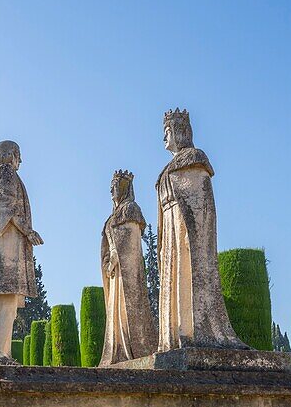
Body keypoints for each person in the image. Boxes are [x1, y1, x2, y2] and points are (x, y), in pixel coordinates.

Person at [156, 108, 244, 351]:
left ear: (180, 131)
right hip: (172, 230)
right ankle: (174, 336)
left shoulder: (194, 158)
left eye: (167, 131)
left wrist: (190, 234)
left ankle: (192, 332)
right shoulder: (168, 168)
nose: (164, 137)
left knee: (188, 276)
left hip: (185, 232)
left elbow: (201, 205)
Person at [0, 140, 43, 362]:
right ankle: (0, 355)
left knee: (8, 306)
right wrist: (28, 231)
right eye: (17, 154)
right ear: (8, 155)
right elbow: (8, 207)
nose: (20, 160)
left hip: (0, 246)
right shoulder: (5, 172)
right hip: (8, 248)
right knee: (8, 305)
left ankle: (2, 353)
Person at [99, 170, 157, 365]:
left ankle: (133, 351)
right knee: (115, 312)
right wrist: (108, 262)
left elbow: (130, 242)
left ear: (123, 188)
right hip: (115, 273)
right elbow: (108, 244)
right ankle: (117, 352)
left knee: (128, 309)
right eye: (110, 188)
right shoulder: (112, 216)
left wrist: (115, 258)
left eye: (115, 187)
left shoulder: (131, 209)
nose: (111, 191)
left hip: (127, 272)